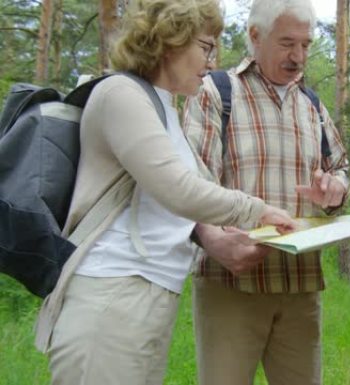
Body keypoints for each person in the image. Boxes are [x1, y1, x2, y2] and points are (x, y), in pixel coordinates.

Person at [34, 1, 296, 384]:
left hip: (148, 299)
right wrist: (258, 210)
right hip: (112, 297)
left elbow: (186, 197)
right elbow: (179, 190)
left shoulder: (165, 108)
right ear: (171, 41)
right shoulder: (121, 94)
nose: (211, 62)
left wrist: (221, 235)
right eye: (206, 47)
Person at [182, 0, 350, 384]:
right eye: (287, 43)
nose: (299, 56)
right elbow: (188, 183)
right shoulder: (215, 93)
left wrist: (335, 190)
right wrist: (211, 240)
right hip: (231, 285)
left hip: (300, 285)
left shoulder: (311, 105)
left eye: (306, 45)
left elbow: (339, 171)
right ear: (255, 37)